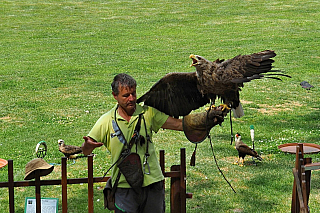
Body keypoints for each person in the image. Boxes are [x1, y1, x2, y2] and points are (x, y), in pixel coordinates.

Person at [82, 73, 227, 213]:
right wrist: (88, 146)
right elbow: (86, 150)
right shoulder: (106, 121)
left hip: (152, 184)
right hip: (123, 186)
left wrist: (205, 119)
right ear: (115, 96)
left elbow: (178, 125)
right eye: (126, 95)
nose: (131, 98)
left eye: (133, 93)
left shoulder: (148, 113)